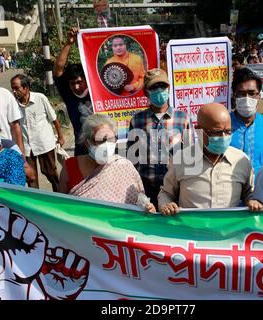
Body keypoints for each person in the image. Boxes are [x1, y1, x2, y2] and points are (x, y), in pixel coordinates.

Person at [157, 103, 258, 215]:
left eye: (228, 132)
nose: (223, 137)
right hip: (191, 230)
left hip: (229, 231)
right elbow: (166, 193)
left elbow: (250, 193)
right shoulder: (180, 160)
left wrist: (252, 201)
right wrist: (166, 205)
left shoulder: (241, 161)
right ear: (198, 130)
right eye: (217, 132)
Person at [127, 68, 191, 208]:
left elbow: (191, 154)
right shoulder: (137, 120)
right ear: (146, 92)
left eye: (162, 86)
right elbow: (132, 158)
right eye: (154, 87)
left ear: (168, 88)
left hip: (176, 188)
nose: (159, 90)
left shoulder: (182, 118)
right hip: (147, 188)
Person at [65, 114, 155, 212]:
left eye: (111, 139)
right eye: (101, 140)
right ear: (88, 143)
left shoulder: (124, 166)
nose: (107, 145)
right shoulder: (70, 166)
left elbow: (140, 203)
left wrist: (148, 208)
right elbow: (58, 207)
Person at [11, 74, 65, 191]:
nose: (14, 91)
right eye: (12, 88)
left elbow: (54, 118)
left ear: (26, 87)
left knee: (50, 172)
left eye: (16, 88)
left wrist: (60, 136)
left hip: (44, 144)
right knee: (31, 177)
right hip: (26, 146)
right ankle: (37, 202)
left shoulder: (40, 98)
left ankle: (60, 195)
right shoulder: (13, 104)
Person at [230, 68, 263, 176]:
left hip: (261, 188)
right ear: (235, 95)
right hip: (229, 188)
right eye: (241, 93)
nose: (247, 98)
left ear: (259, 96)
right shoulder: (223, 124)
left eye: (251, 93)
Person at [53, 27, 93, 156]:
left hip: (104, 144)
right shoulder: (68, 94)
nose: (76, 87)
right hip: (82, 148)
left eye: (79, 82)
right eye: (72, 83)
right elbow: (58, 70)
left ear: (86, 79)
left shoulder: (96, 90)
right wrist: (69, 43)